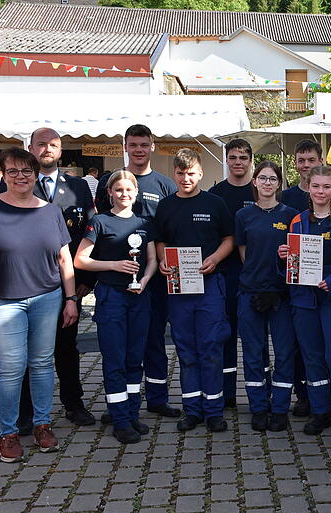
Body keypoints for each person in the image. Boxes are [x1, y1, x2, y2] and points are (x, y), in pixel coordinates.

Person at [0, 128, 97, 432]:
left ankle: (73, 403)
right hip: (22, 283)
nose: (47, 149)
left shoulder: (79, 186)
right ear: (30, 147)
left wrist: (85, 282)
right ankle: (26, 413)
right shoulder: (19, 184)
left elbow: (90, 233)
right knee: (25, 353)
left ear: (61, 150)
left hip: (68, 284)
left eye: (53, 145)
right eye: (41, 144)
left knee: (67, 347)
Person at [0, 147, 78, 462]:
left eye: (26, 171)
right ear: (3, 174)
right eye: (12, 171)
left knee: (41, 363)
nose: (20, 177)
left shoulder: (50, 211)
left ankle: (42, 425)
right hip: (4, 301)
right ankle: (8, 433)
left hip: (47, 297)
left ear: (36, 174)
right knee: (11, 367)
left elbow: (64, 258)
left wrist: (70, 299)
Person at [96, 124, 180, 421]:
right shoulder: (111, 180)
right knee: (120, 348)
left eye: (144, 144)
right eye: (134, 144)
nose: (139, 149)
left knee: (154, 339)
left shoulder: (165, 185)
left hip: (154, 277)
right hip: (118, 280)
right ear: (125, 147)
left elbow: (170, 231)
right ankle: (119, 408)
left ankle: (157, 398)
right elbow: (102, 223)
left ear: (152, 146)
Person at [73, 171, 157, 443]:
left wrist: (144, 279)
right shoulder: (99, 222)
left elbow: (153, 259)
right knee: (115, 359)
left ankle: (131, 413)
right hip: (111, 297)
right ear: (110, 192)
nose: (124, 195)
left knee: (135, 359)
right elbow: (80, 260)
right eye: (118, 190)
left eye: (128, 190)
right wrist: (114, 265)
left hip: (139, 296)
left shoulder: (145, 222)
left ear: (136, 192)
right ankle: (119, 420)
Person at [155, 149, 233, 433]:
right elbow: (160, 241)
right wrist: (163, 259)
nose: (185, 178)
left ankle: (214, 410)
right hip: (178, 290)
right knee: (186, 350)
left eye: (191, 173)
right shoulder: (165, 206)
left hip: (210, 286)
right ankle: (192, 410)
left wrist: (215, 258)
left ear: (200, 173)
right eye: (180, 173)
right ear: (174, 174)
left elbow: (229, 238)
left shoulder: (215, 203)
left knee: (211, 348)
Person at [278, 166, 331, 439]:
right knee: (312, 358)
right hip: (304, 300)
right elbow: (291, 264)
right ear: (308, 189)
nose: (320, 191)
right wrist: (285, 255)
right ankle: (320, 411)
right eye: (316, 186)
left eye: (326, 187)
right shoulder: (297, 221)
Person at [236, 161, 298, 432]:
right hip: (251, 292)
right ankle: (259, 407)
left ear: (279, 183)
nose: (267, 183)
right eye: (263, 178)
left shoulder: (292, 215)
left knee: (284, 353)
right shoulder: (243, 215)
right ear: (255, 182)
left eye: (273, 179)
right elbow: (243, 251)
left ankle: (281, 408)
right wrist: (255, 280)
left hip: (282, 294)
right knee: (252, 353)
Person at [208, 138, 256, 409]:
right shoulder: (217, 194)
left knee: (255, 339)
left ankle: (259, 394)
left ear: (250, 160)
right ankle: (226, 395)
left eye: (243, 157)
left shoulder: (259, 190)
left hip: (254, 277)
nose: (238, 162)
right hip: (224, 276)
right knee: (225, 336)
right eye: (234, 157)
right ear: (227, 160)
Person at [277, 139, 323, 417]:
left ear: (320, 160)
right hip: (298, 284)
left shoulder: (330, 193)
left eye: (311, 160)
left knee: (324, 347)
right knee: (298, 346)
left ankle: (324, 395)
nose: (306, 165)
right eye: (301, 160)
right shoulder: (287, 197)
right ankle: (303, 395)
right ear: (295, 163)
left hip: (327, 285)